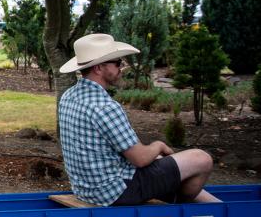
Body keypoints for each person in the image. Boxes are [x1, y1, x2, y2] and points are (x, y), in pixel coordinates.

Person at [58, 33, 220, 206]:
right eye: (117, 63)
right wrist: (159, 145)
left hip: (86, 189)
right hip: (116, 191)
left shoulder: (68, 96)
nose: (121, 68)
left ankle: (222, 209)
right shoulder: (105, 107)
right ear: (98, 68)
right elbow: (140, 158)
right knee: (201, 159)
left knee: (167, 165)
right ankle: (178, 209)